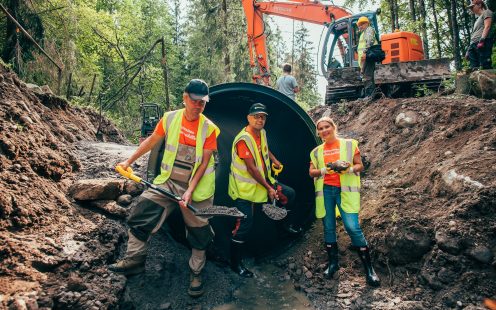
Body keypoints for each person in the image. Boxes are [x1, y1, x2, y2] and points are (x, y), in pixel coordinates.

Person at [108, 79, 220, 298]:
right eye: (195, 101)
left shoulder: (209, 129)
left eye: (203, 102)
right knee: (142, 213)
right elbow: (151, 141)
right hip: (168, 180)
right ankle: (134, 262)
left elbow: (204, 163)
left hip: (196, 189)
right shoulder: (170, 119)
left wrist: (189, 192)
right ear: (185, 97)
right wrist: (128, 162)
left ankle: (196, 274)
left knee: (199, 232)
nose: (198, 106)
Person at [228, 102, 300, 277]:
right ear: (248, 118)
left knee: (288, 195)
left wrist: (274, 159)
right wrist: (269, 188)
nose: (260, 120)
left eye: (263, 117)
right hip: (244, 189)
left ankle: (283, 228)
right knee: (244, 224)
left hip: (262, 184)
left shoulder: (262, 133)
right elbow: (252, 168)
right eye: (256, 116)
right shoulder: (243, 140)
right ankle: (235, 263)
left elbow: (265, 151)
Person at [308, 116, 380, 287]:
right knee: (328, 227)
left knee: (352, 227)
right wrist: (328, 168)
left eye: (327, 126)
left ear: (334, 127)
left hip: (345, 191)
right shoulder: (316, 151)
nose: (324, 130)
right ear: (318, 132)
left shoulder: (349, 144)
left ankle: (369, 270)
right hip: (325, 191)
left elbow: (360, 166)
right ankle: (333, 264)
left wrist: (348, 169)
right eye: (321, 128)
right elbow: (312, 172)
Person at [466, 0, 494, 70]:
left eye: (472, 7)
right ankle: (476, 81)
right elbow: (474, 34)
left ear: (479, 5)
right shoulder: (477, 19)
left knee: (486, 65)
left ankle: (490, 80)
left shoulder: (487, 12)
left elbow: (487, 26)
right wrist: (468, 50)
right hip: (473, 44)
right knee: (474, 68)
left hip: (483, 42)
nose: (471, 9)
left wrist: (482, 40)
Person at [357, 16, 378, 99]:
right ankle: (369, 95)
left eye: (362, 24)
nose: (360, 26)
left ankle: (369, 96)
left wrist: (365, 53)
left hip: (368, 57)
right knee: (367, 77)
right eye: (359, 25)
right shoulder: (363, 33)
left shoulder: (369, 30)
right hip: (365, 58)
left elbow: (369, 42)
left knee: (368, 77)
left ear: (367, 23)